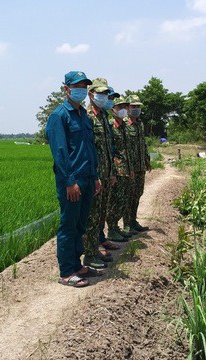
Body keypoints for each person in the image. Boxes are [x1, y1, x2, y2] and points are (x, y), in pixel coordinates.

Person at [45, 71, 102, 288]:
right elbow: (60, 153)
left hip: (87, 178)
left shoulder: (83, 116)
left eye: (84, 86)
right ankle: (67, 271)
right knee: (68, 225)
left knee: (81, 224)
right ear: (66, 89)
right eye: (76, 86)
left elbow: (90, 149)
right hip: (72, 181)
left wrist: (95, 176)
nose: (81, 90)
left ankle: (77, 265)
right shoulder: (59, 116)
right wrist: (70, 181)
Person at [82, 78, 118, 269]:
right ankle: (89, 254)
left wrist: (111, 172)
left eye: (106, 94)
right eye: (100, 94)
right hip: (94, 175)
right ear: (91, 94)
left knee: (101, 213)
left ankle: (95, 249)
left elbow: (108, 148)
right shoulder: (87, 116)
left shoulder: (104, 116)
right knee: (92, 215)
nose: (103, 97)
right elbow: (88, 149)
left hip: (106, 173)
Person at [106, 95, 134, 241]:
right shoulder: (110, 126)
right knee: (115, 201)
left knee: (123, 201)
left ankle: (116, 227)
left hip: (126, 169)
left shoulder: (124, 127)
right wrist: (112, 172)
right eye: (119, 107)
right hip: (117, 170)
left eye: (125, 107)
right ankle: (111, 229)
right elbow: (109, 150)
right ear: (113, 109)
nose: (123, 110)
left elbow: (127, 150)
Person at [123, 95, 151, 234]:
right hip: (130, 168)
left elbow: (143, 144)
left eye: (138, 107)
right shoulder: (124, 124)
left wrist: (147, 160)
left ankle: (133, 221)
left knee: (137, 194)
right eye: (134, 106)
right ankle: (127, 224)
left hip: (140, 167)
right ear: (127, 107)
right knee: (128, 196)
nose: (136, 109)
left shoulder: (140, 124)